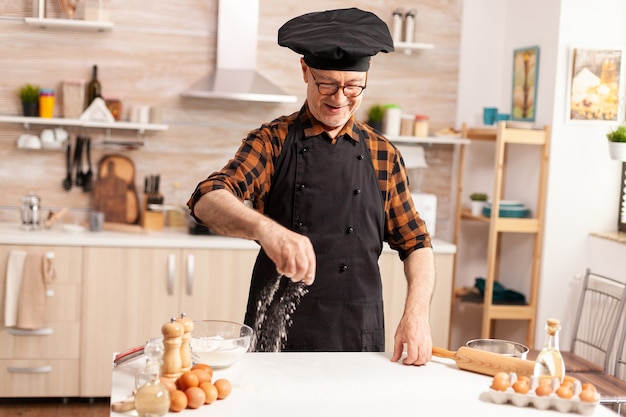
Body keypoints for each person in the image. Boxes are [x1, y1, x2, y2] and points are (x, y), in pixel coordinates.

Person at [188, 7, 435, 366]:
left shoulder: (384, 154)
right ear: (305, 70)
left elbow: (416, 244)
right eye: (327, 84)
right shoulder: (272, 141)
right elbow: (206, 197)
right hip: (277, 334)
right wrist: (266, 230)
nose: (339, 98)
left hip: (358, 334)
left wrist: (417, 314)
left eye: (352, 87)